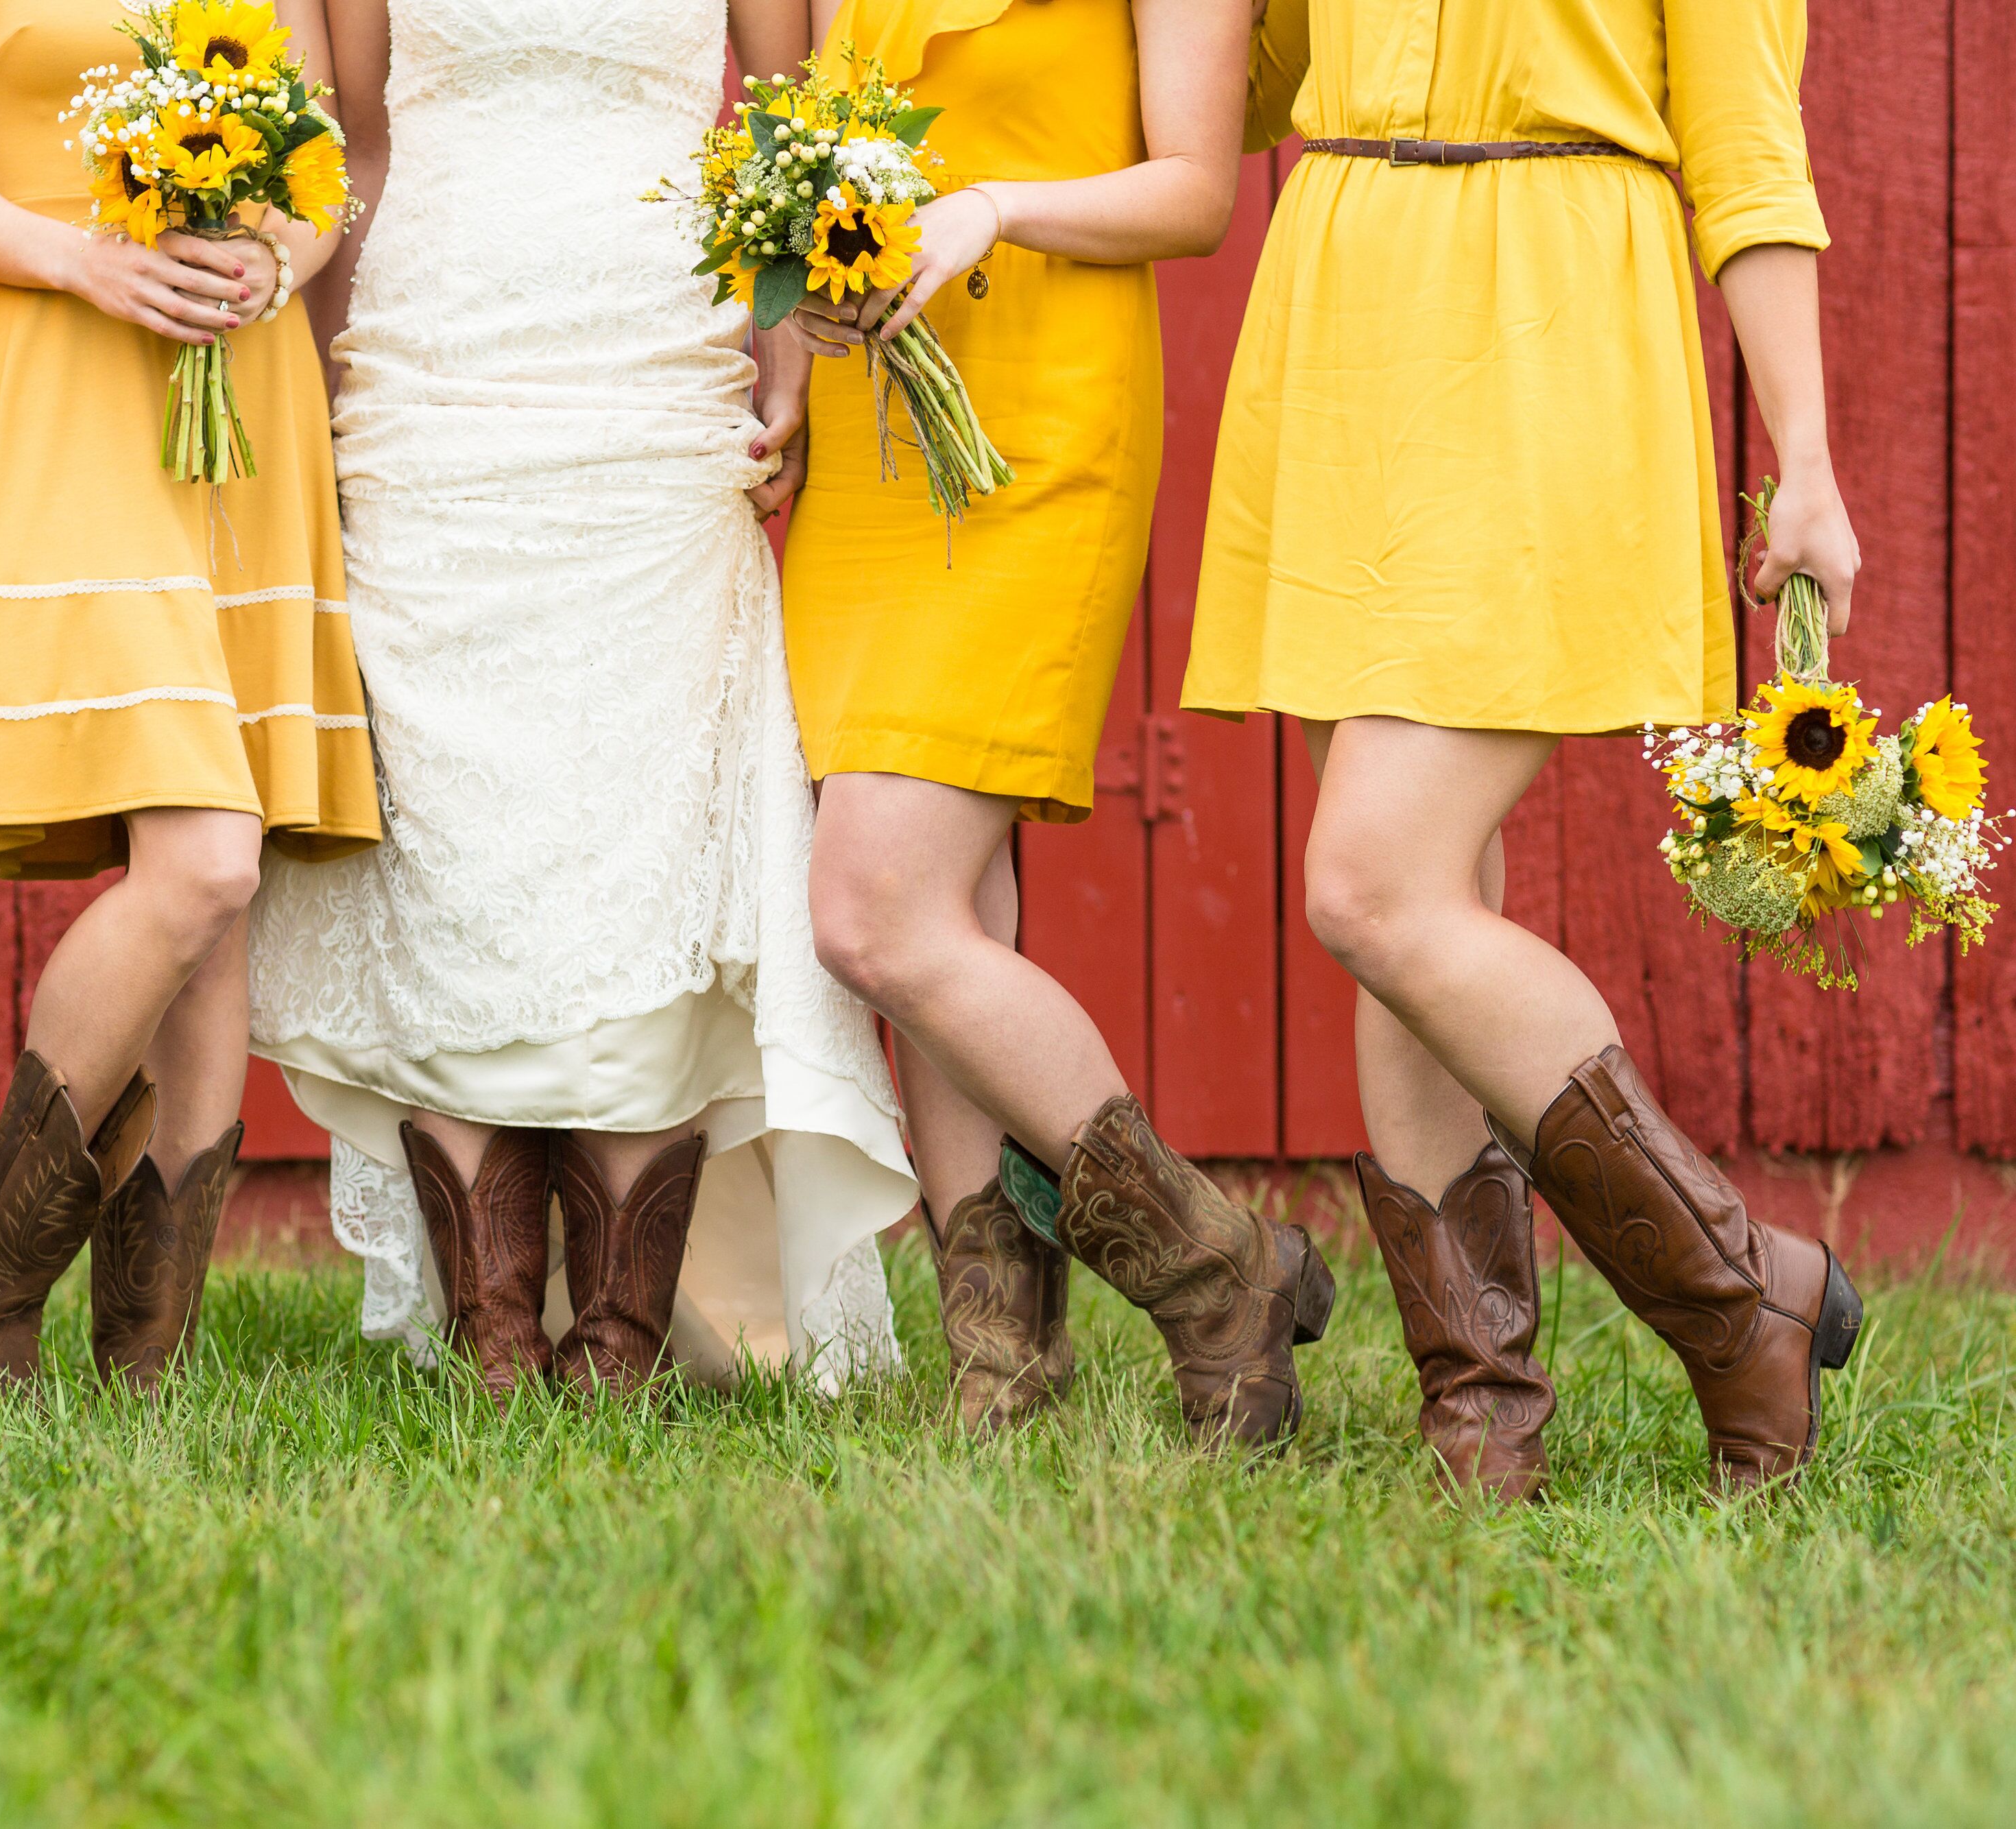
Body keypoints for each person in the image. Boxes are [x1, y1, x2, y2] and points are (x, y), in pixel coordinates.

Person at [1186, 0, 1865, 1494]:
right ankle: (1479, 1416)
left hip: (1546, 321)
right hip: (1345, 317)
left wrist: (1802, 458)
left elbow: (1746, 152)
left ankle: (1739, 1290)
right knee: (1417, 901)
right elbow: (1250, 86)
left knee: (1370, 883)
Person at [245, 0, 920, 1400]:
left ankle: (615, 1334)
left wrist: (783, 361)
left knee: (639, 819)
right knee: (454, 835)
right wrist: (321, 388)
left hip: (655, 362)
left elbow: (787, 116)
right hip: (435, 365)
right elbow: (358, 139)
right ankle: (495, 1331)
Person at [778, 0, 1336, 1444]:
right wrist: (812, 294)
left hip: (1041, 425)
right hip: (882, 424)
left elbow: (1195, 194)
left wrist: (992, 210)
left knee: (871, 909)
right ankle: (1001, 1369)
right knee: (947, 898)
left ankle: (1217, 1267)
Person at [0, 0, 383, 1390]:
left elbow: (326, 152)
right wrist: (76, 259)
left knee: (216, 883)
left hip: (237, 384)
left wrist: (274, 257)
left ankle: (141, 1354)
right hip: (62, 370)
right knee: (204, 857)